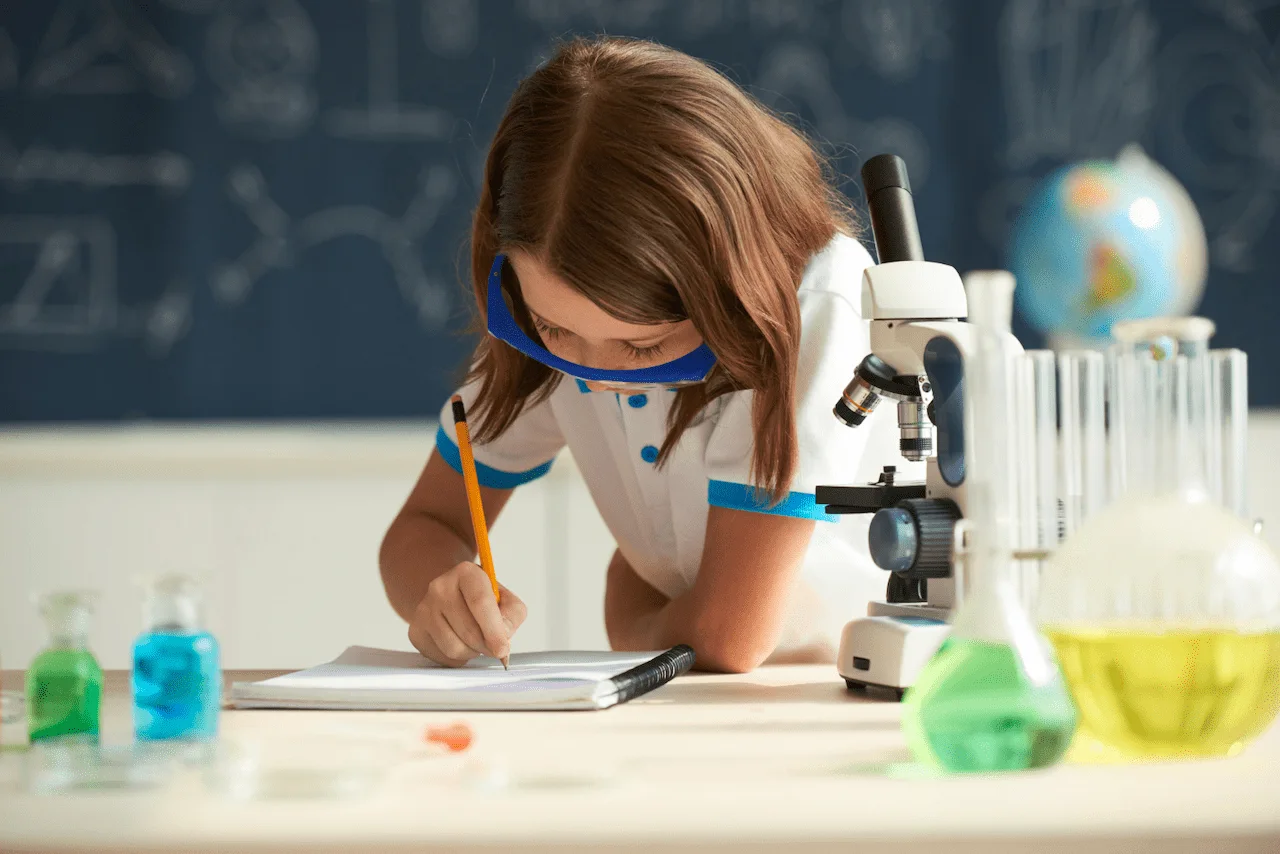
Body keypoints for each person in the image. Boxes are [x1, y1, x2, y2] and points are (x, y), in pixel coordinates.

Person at [379, 36, 904, 673]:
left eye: (645, 345)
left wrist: (629, 616)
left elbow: (729, 637)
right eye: (555, 330)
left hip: (849, 688)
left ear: (726, 284)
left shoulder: (810, 305)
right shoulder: (541, 317)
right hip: (697, 698)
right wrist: (439, 591)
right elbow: (419, 529)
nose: (594, 377)